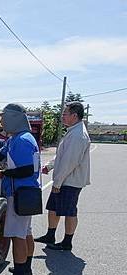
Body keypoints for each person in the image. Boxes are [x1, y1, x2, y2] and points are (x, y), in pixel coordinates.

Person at [0, 103, 40, 275]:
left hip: (19, 193)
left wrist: (3, 173)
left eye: (3, 118)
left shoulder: (22, 140)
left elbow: (26, 170)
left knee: (17, 235)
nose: (1, 121)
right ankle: (25, 268)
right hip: (26, 193)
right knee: (26, 232)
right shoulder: (17, 138)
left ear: (13, 118)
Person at [35, 101, 91, 251]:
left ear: (74, 115)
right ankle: (50, 234)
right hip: (64, 179)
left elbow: (70, 162)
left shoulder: (78, 135)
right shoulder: (73, 131)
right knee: (54, 207)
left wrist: (57, 183)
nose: (62, 117)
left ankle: (67, 241)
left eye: (65, 114)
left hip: (70, 181)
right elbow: (62, 155)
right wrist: (49, 166)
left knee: (69, 211)